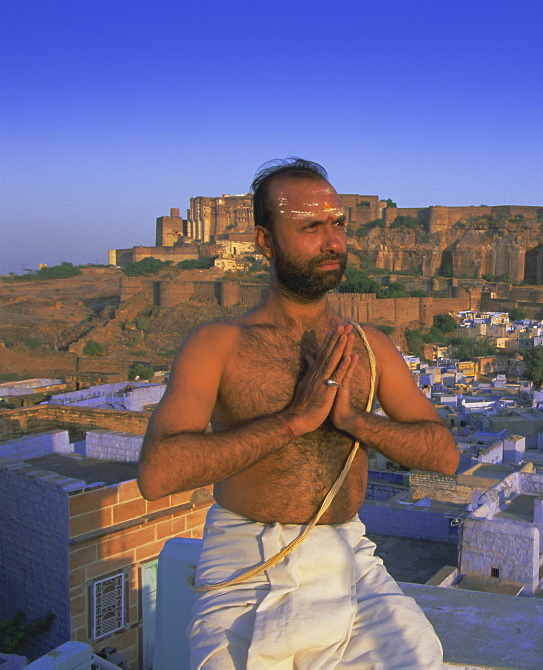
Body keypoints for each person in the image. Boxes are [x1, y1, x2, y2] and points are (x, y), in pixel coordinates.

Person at [138, 158, 459, 669]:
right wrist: (293, 420)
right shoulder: (218, 345)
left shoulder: (371, 348)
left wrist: (355, 421)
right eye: (310, 227)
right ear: (265, 241)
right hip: (247, 564)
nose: (332, 241)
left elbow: (444, 456)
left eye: (337, 224)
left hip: (349, 560)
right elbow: (157, 475)